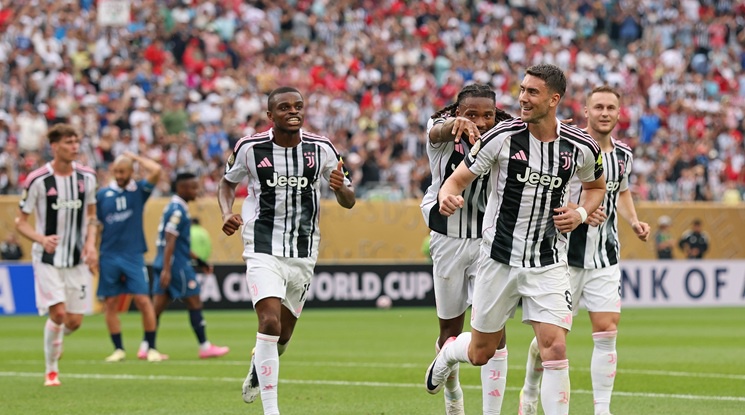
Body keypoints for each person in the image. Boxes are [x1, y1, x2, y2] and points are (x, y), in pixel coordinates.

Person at [424, 64, 606, 415]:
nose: (523, 98)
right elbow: (456, 180)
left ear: (553, 99)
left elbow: (596, 187)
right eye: (522, 90)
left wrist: (582, 214)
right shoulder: (501, 137)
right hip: (498, 259)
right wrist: (446, 196)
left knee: (555, 348)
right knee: (481, 352)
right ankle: (448, 353)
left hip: (548, 261)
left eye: (532, 92)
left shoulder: (581, 146)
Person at [218, 86, 356, 415]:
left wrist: (341, 189)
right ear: (270, 115)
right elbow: (227, 183)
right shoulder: (250, 148)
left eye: (298, 106)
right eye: (284, 107)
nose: (293, 111)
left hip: (303, 250)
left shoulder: (322, 148)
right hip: (262, 245)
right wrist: (225, 212)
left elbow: (349, 199)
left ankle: (259, 365)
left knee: (282, 334)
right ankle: (272, 410)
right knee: (269, 323)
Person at [518, 85, 651, 415]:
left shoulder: (623, 155)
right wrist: (580, 211)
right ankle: (530, 388)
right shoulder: (571, 148)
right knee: (552, 338)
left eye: (610, 108)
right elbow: (550, 194)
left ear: (618, 114)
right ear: (587, 112)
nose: (605, 113)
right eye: (599, 107)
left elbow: (621, 191)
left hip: (605, 256)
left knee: (607, 330)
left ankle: (602, 410)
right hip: (564, 258)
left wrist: (634, 221)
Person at [420, 83, 513, 415]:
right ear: (458, 112)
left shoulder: (506, 133)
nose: (481, 122)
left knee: (496, 332)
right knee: (450, 330)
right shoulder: (440, 127)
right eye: (472, 114)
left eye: (488, 115)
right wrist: (454, 125)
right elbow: (437, 132)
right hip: (448, 239)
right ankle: (453, 395)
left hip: (489, 242)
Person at [15, 123, 98, 386]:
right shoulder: (38, 179)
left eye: (76, 142)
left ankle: (57, 336)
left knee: (74, 321)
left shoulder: (87, 177)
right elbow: (20, 222)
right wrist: (41, 239)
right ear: (54, 147)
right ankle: (51, 370)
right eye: (68, 142)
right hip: (47, 258)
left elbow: (92, 216)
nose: (74, 147)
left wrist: (91, 245)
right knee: (59, 314)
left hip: (76, 258)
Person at [151, 172, 230, 359]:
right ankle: (204, 346)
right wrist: (167, 269)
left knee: (157, 308)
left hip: (166, 261)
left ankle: (147, 346)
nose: (197, 191)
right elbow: (170, 239)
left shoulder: (173, 207)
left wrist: (200, 261)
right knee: (194, 301)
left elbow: (180, 244)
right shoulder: (178, 210)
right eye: (194, 187)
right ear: (181, 188)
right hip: (176, 265)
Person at [96, 151, 165, 363]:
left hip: (133, 254)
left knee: (143, 300)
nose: (119, 175)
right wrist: (93, 250)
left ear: (131, 172)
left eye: (123, 171)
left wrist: (135, 157)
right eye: (116, 171)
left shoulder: (139, 191)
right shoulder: (102, 195)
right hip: (108, 255)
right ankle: (118, 349)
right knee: (110, 303)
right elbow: (96, 226)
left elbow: (157, 170)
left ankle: (151, 347)